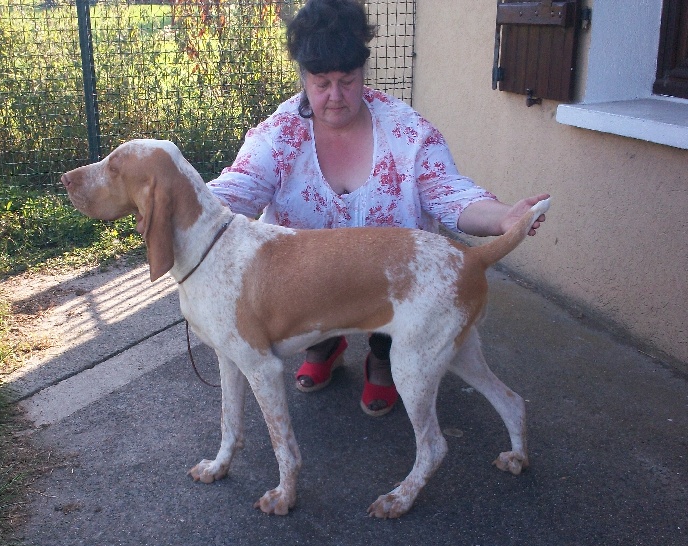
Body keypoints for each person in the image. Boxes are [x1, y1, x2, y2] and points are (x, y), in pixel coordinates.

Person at [207, 0, 547, 417]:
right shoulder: (277, 136)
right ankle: (325, 344)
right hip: (311, 291)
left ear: (363, 72)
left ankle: (382, 358)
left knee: (407, 294)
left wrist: (504, 217)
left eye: (347, 81)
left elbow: (449, 192)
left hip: (391, 289)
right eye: (321, 82)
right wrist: (180, 205)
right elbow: (237, 187)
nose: (335, 96)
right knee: (304, 285)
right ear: (302, 77)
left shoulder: (407, 132)